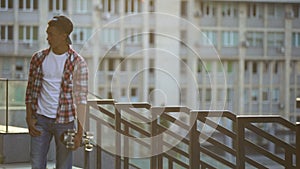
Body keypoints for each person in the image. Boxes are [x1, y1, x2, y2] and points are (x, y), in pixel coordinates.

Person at [25, 15, 88, 169]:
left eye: (51, 34)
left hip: (65, 123)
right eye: (47, 33)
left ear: (63, 35)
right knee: (37, 164)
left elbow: (81, 100)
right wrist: (29, 117)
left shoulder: (78, 63)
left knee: (64, 166)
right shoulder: (38, 58)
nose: (48, 38)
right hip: (40, 120)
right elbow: (30, 90)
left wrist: (80, 132)